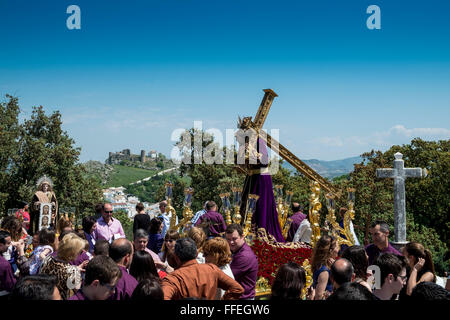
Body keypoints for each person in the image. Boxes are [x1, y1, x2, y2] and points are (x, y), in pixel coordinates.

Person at [160, 237, 244, 300]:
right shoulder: (212, 269)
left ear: (176, 257)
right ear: (197, 254)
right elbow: (237, 289)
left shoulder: (172, 280)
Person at [39, 233, 88, 299]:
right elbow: (78, 294)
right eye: (80, 252)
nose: (81, 253)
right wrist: (76, 273)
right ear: (73, 253)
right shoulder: (72, 272)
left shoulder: (47, 259)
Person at [225, 223, 258, 300]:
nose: (231, 242)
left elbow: (227, 277)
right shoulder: (236, 250)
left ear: (242, 237)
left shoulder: (244, 256)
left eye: (234, 239)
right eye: (228, 239)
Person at [311, 235, 339, 300]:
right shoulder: (324, 272)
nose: (338, 249)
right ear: (330, 250)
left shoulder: (324, 266)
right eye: (337, 247)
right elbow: (319, 296)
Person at [0, 230, 16, 299]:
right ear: (0, 245)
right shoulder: (4, 264)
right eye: (8, 243)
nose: (10, 245)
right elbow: (10, 285)